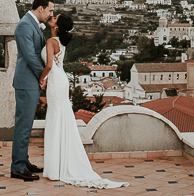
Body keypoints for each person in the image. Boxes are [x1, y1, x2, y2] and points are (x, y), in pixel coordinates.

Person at [39, 13, 129, 189]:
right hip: (60, 81)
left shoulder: (51, 42)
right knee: (59, 119)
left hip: (56, 81)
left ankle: (55, 168)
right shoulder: (59, 42)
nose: (52, 18)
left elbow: (49, 66)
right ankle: (57, 166)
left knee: (55, 119)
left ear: (57, 26)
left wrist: (41, 79)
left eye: (55, 18)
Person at [10, 0, 55, 181]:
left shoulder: (32, 23)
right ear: (41, 8)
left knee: (27, 124)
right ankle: (18, 167)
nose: (51, 14)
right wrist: (44, 76)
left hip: (31, 82)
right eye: (50, 10)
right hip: (27, 82)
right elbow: (30, 56)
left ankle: (23, 161)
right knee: (23, 125)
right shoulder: (24, 25)